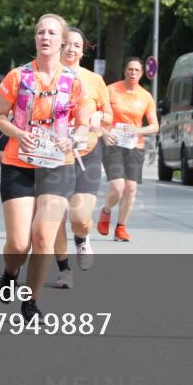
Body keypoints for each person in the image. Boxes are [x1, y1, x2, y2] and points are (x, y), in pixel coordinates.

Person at [0, 14, 92, 322]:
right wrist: (18, 133)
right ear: (35, 39)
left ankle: (30, 301)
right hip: (19, 164)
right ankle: (10, 273)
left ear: (62, 41)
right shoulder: (18, 76)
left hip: (58, 166)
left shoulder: (74, 81)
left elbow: (84, 124)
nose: (45, 37)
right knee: (19, 244)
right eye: (40, 33)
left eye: (51, 33)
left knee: (44, 237)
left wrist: (73, 138)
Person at [52, 28, 112, 288]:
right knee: (54, 217)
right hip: (53, 156)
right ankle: (64, 270)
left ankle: (82, 238)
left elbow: (109, 115)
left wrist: (99, 116)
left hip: (87, 153)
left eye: (77, 45)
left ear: (83, 50)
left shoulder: (94, 79)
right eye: (66, 43)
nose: (71, 49)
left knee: (80, 218)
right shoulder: (47, 76)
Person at [95, 57, 159, 242]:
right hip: (113, 142)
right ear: (125, 71)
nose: (133, 73)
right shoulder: (111, 90)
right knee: (117, 187)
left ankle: (121, 228)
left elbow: (155, 126)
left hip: (134, 145)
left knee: (130, 188)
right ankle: (106, 210)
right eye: (130, 69)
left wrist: (138, 130)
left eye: (137, 70)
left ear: (142, 74)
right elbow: (96, 115)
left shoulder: (145, 96)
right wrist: (104, 133)